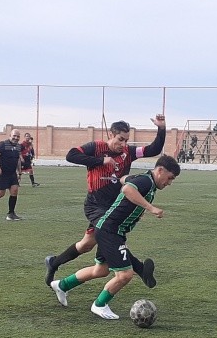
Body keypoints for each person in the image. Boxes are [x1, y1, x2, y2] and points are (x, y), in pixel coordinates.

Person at [49, 155, 181, 320]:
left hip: (109, 230)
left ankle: (62, 285)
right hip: (110, 231)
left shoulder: (149, 183)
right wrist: (150, 208)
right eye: (170, 178)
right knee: (125, 275)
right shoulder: (147, 181)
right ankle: (99, 305)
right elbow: (127, 189)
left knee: (101, 270)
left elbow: (125, 181)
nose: (169, 183)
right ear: (160, 170)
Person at [44, 114, 167, 288]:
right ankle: (140, 269)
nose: (123, 144)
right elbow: (71, 155)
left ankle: (54, 263)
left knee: (86, 245)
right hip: (95, 205)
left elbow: (153, 150)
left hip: (112, 207)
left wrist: (161, 128)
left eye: (126, 140)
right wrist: (100, 161)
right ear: (111, 135)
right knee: (112, 234)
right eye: (120, 139)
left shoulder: (128, 153)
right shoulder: (96, 147)